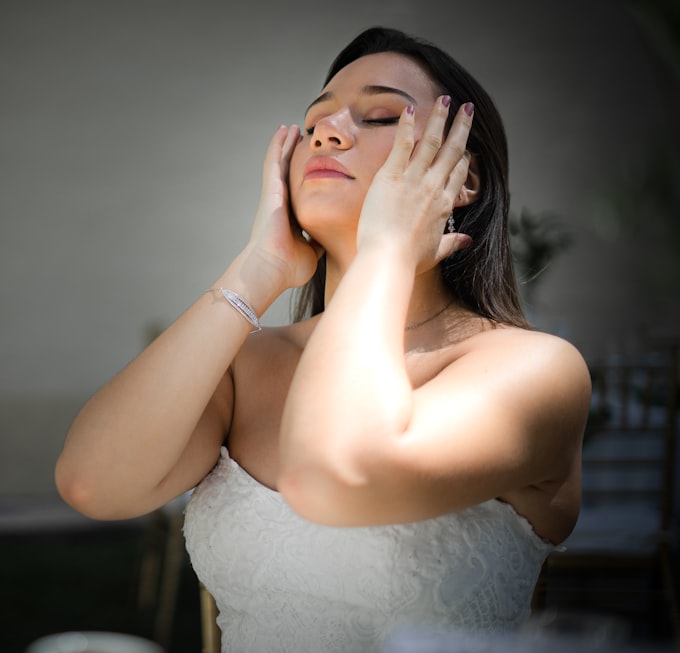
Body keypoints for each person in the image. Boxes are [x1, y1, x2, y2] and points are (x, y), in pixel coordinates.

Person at [55, 26, 591, 652]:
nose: (329, 132)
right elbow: (94, 484)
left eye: (381, 115)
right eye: (315, 124)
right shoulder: (244, 365)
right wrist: (258, 269)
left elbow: (336, 476)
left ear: (461, 179)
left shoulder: (533, 370)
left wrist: (387, 251)